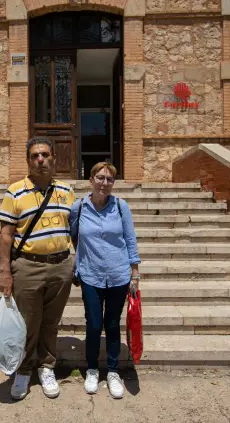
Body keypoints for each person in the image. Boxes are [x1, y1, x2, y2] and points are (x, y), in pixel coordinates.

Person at [0, 137, 76, 401]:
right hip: (28, 267)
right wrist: (5, 272)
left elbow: (74, 230)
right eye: (34, 156)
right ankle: (23, 370)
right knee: (27, 323)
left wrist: (78, 263)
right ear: (28, 161)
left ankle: (46, 367)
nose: (40, 159)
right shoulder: (15, 192)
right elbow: (6, 235)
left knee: (51, 323)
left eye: (45, 154)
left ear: (54, 158)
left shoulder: (66, 191)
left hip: (61, 266)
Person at [69, 162, 140, 399]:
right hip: (90, 274)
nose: (104, 183)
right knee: (93, 323)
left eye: (109, 179)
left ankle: (112, 371)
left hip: (118, 275)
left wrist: (135, 273)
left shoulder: (120, 206)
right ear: (91, 179)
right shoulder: (79, 207)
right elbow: (74, 236)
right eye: (100, 178)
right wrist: (80, 260)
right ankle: (91, 369)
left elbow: (130, 239)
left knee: (112, 323)